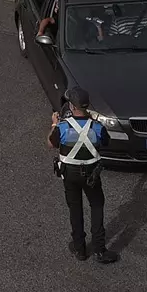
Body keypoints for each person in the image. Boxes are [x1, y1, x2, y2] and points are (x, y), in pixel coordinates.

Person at [51, 86, 116, 263]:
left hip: (69, 174)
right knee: (96, 206)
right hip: (91, 174)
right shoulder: (96, 127)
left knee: (75, 208)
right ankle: (100, 250)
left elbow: (51, 143)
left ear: (72, 106)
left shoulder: (63, 127)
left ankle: (80, 249)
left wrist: (54, 123)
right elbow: (106, 142)